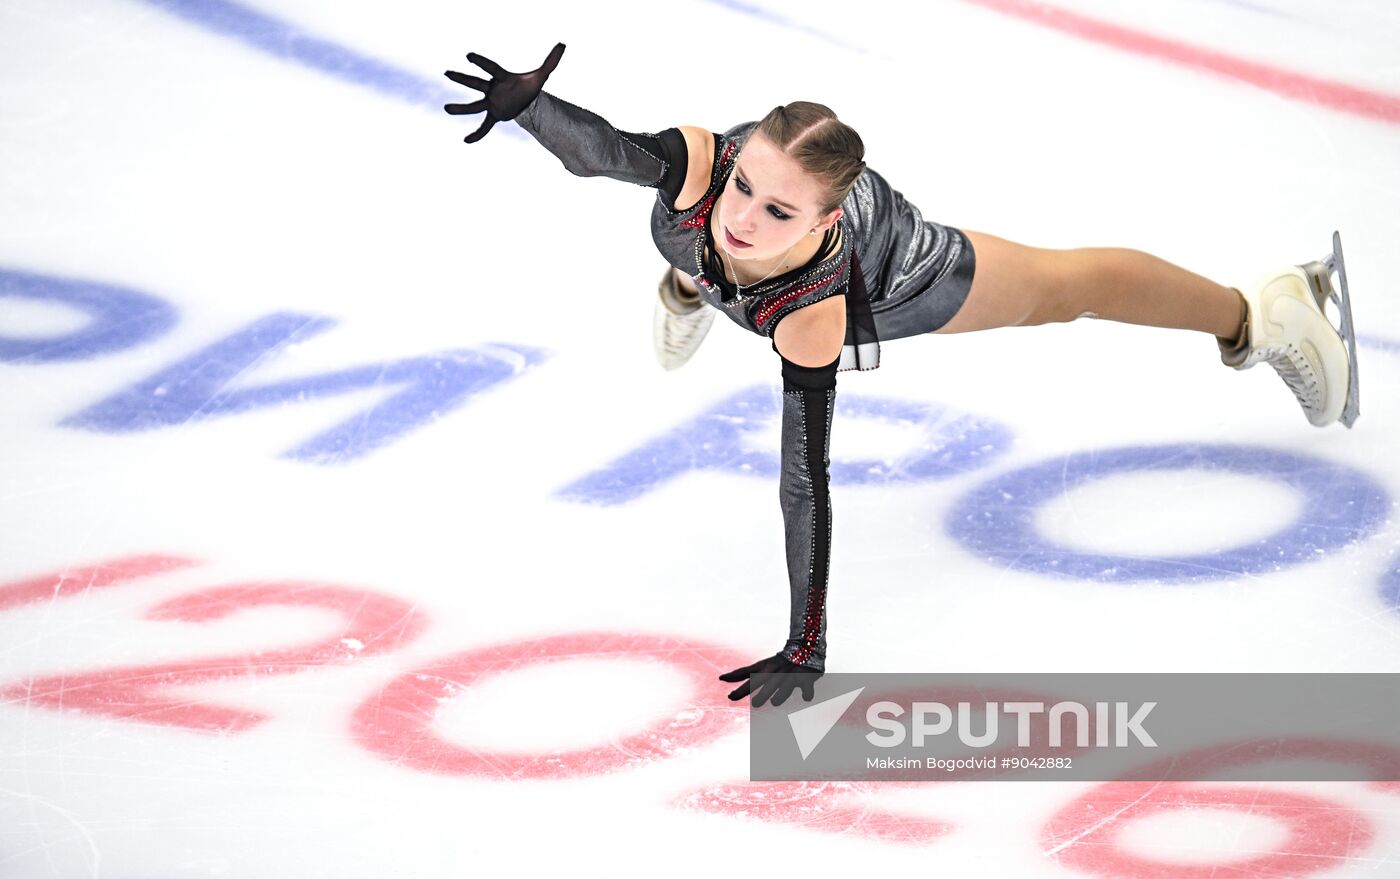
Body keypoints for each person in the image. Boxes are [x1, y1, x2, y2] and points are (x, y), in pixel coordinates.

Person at [444, 43, 1360, 708]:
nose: (748, 217)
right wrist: (530, 106)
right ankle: (693, 288)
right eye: (744, 189)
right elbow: (600, 150)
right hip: (736, 259)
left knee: (1071, 285)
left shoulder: (812, 311)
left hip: (906, 277)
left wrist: (807, 643)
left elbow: (806, 480)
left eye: (779, 211)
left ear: (820, 218)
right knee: (700, 244)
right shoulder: (700, 171)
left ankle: (1260, 312)